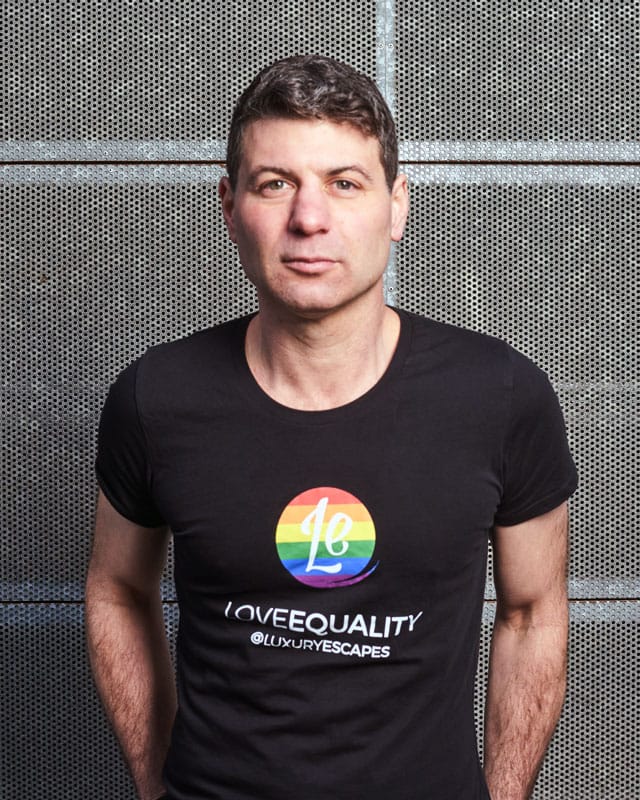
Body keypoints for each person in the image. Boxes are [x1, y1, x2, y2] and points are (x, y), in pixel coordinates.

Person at [85, 54, 577, 800]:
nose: (309, 219)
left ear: (396, 206)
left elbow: (532, 613)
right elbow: (118, 589)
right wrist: (158, 784)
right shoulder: (157, 398)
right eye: (275, 184)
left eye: (344, 183)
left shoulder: (500, 395)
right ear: (229, 207)